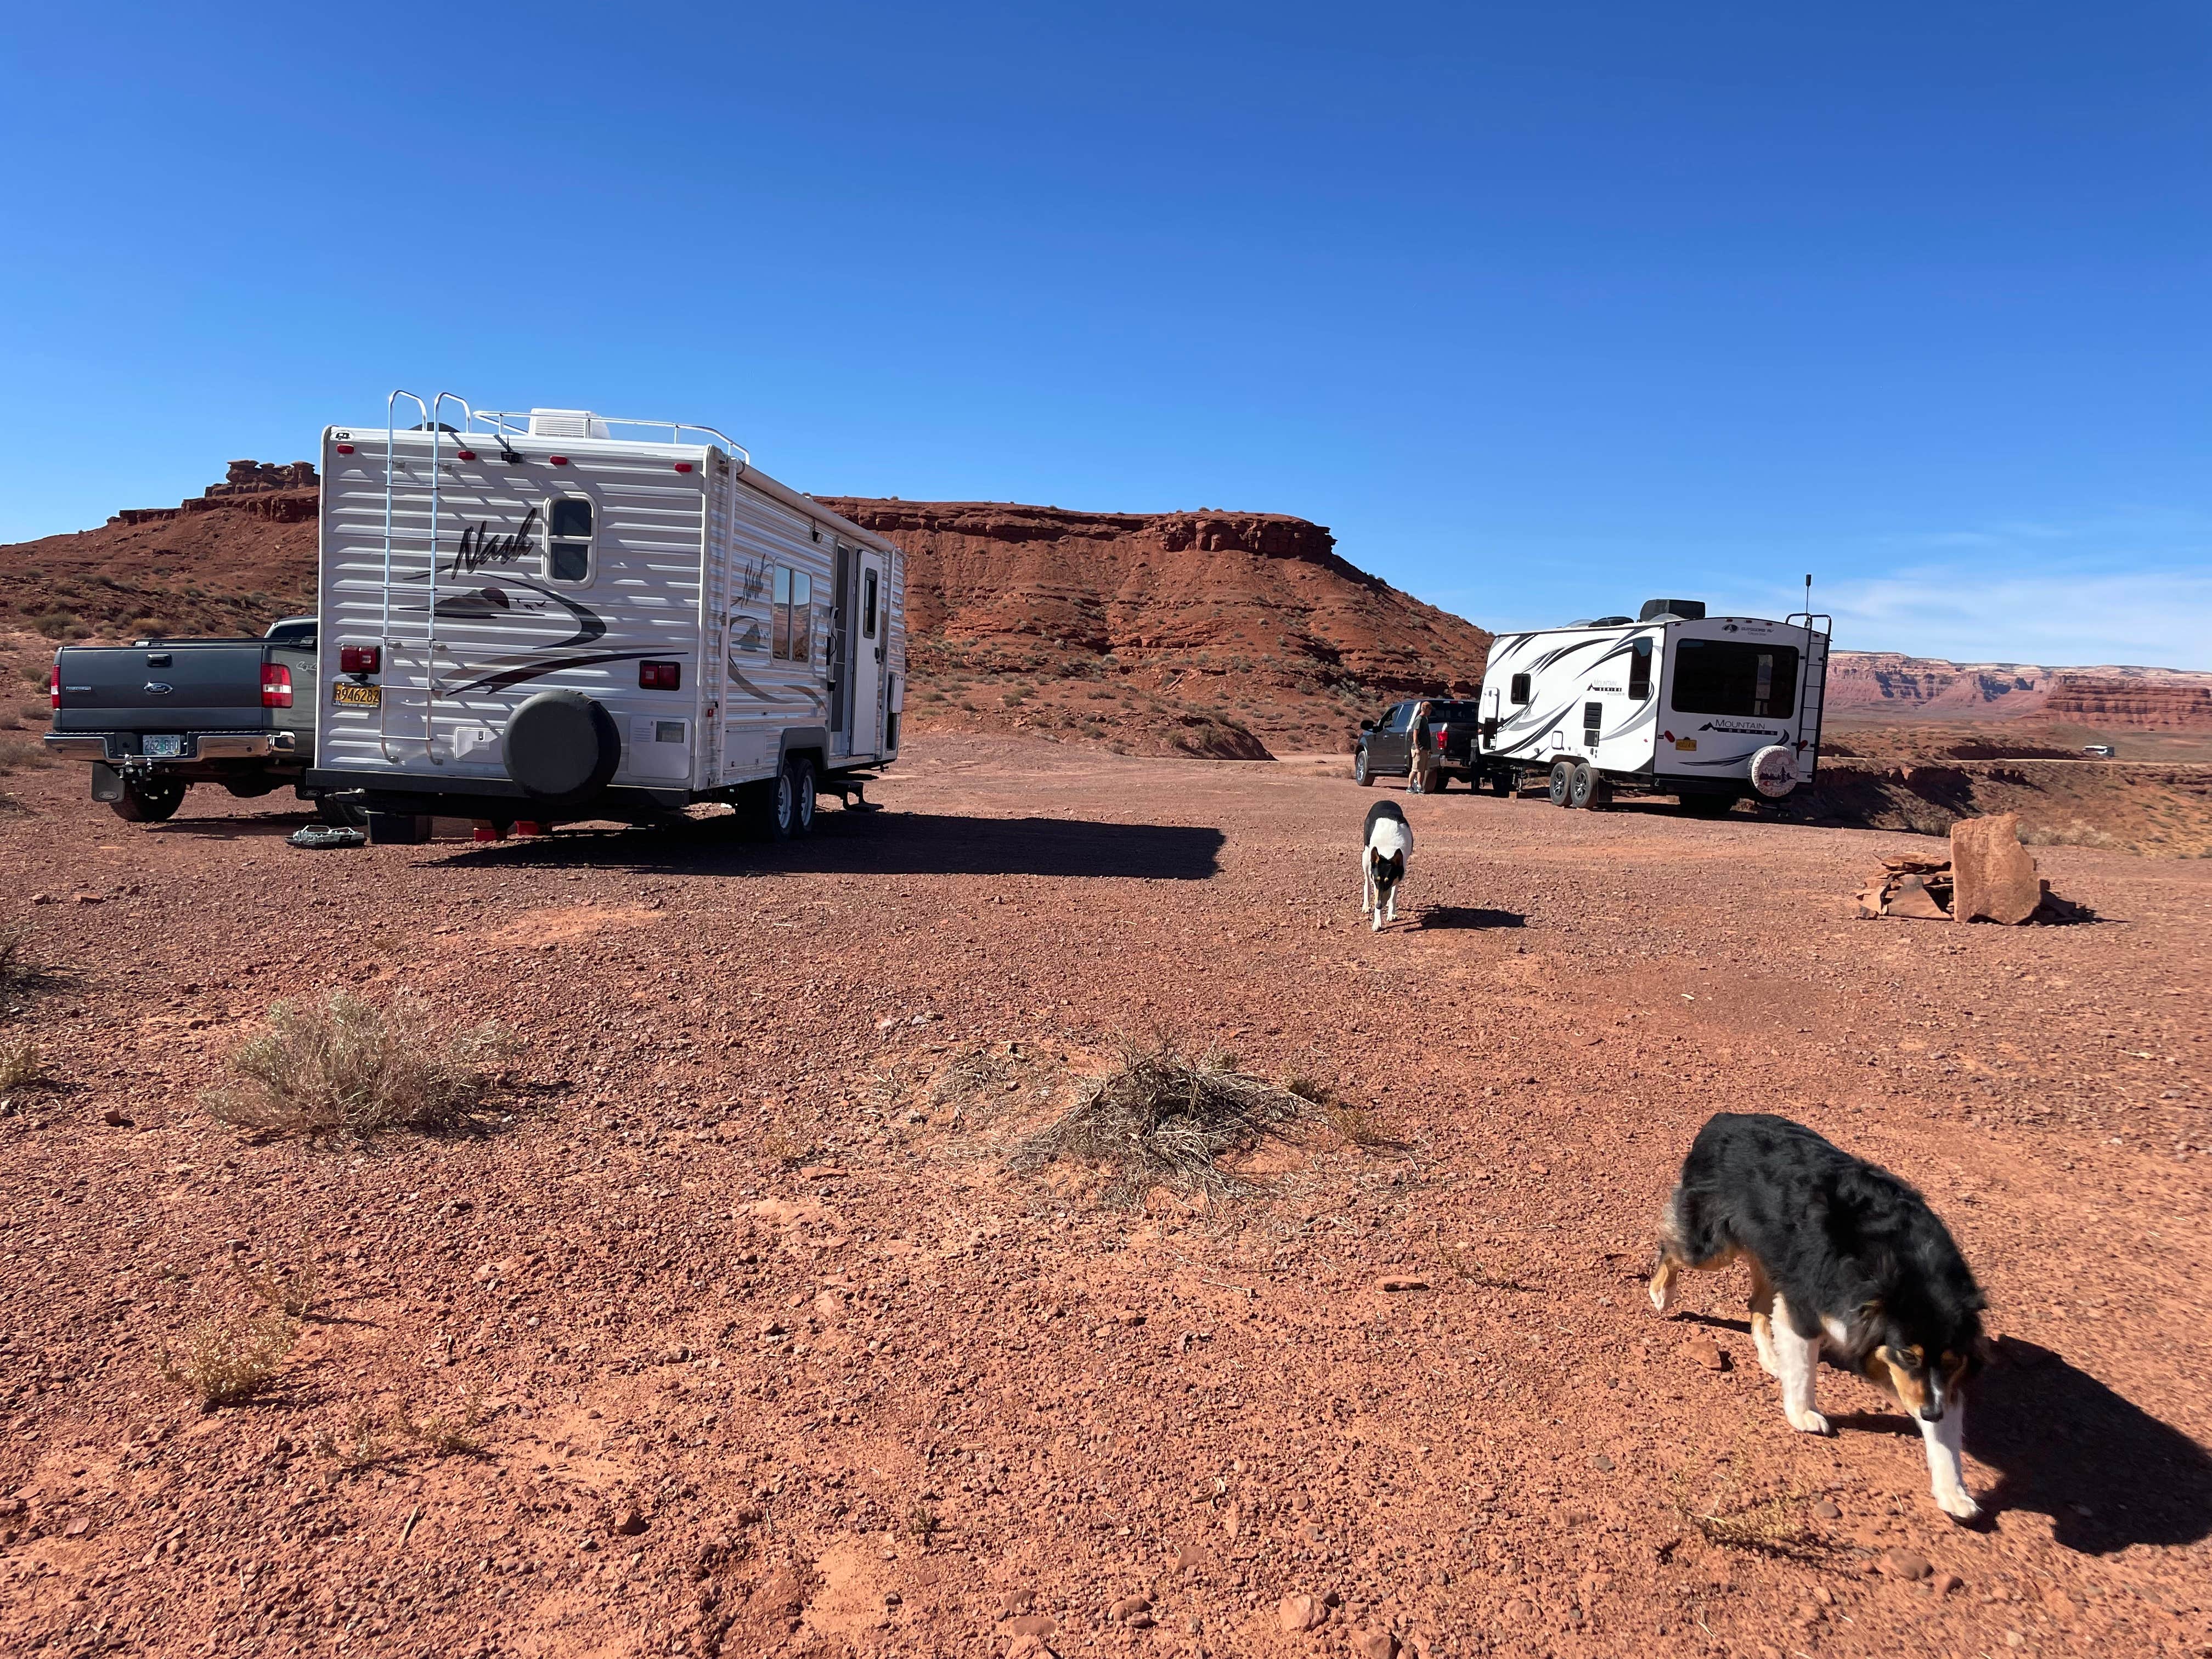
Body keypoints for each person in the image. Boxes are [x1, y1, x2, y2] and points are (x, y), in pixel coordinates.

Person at [1407, 698, 1440, 794]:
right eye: (1429, 710)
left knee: (1422, 770)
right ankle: (1409, 787)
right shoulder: (1419, 719)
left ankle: (1419, 786)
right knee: (1415, 769)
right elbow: (1415, 735)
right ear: (1425, 709)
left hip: (1425, 749)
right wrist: (1417, 748)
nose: (1430, 712)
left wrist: (1429, 749)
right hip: (1419, 749)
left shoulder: (1425, 719)